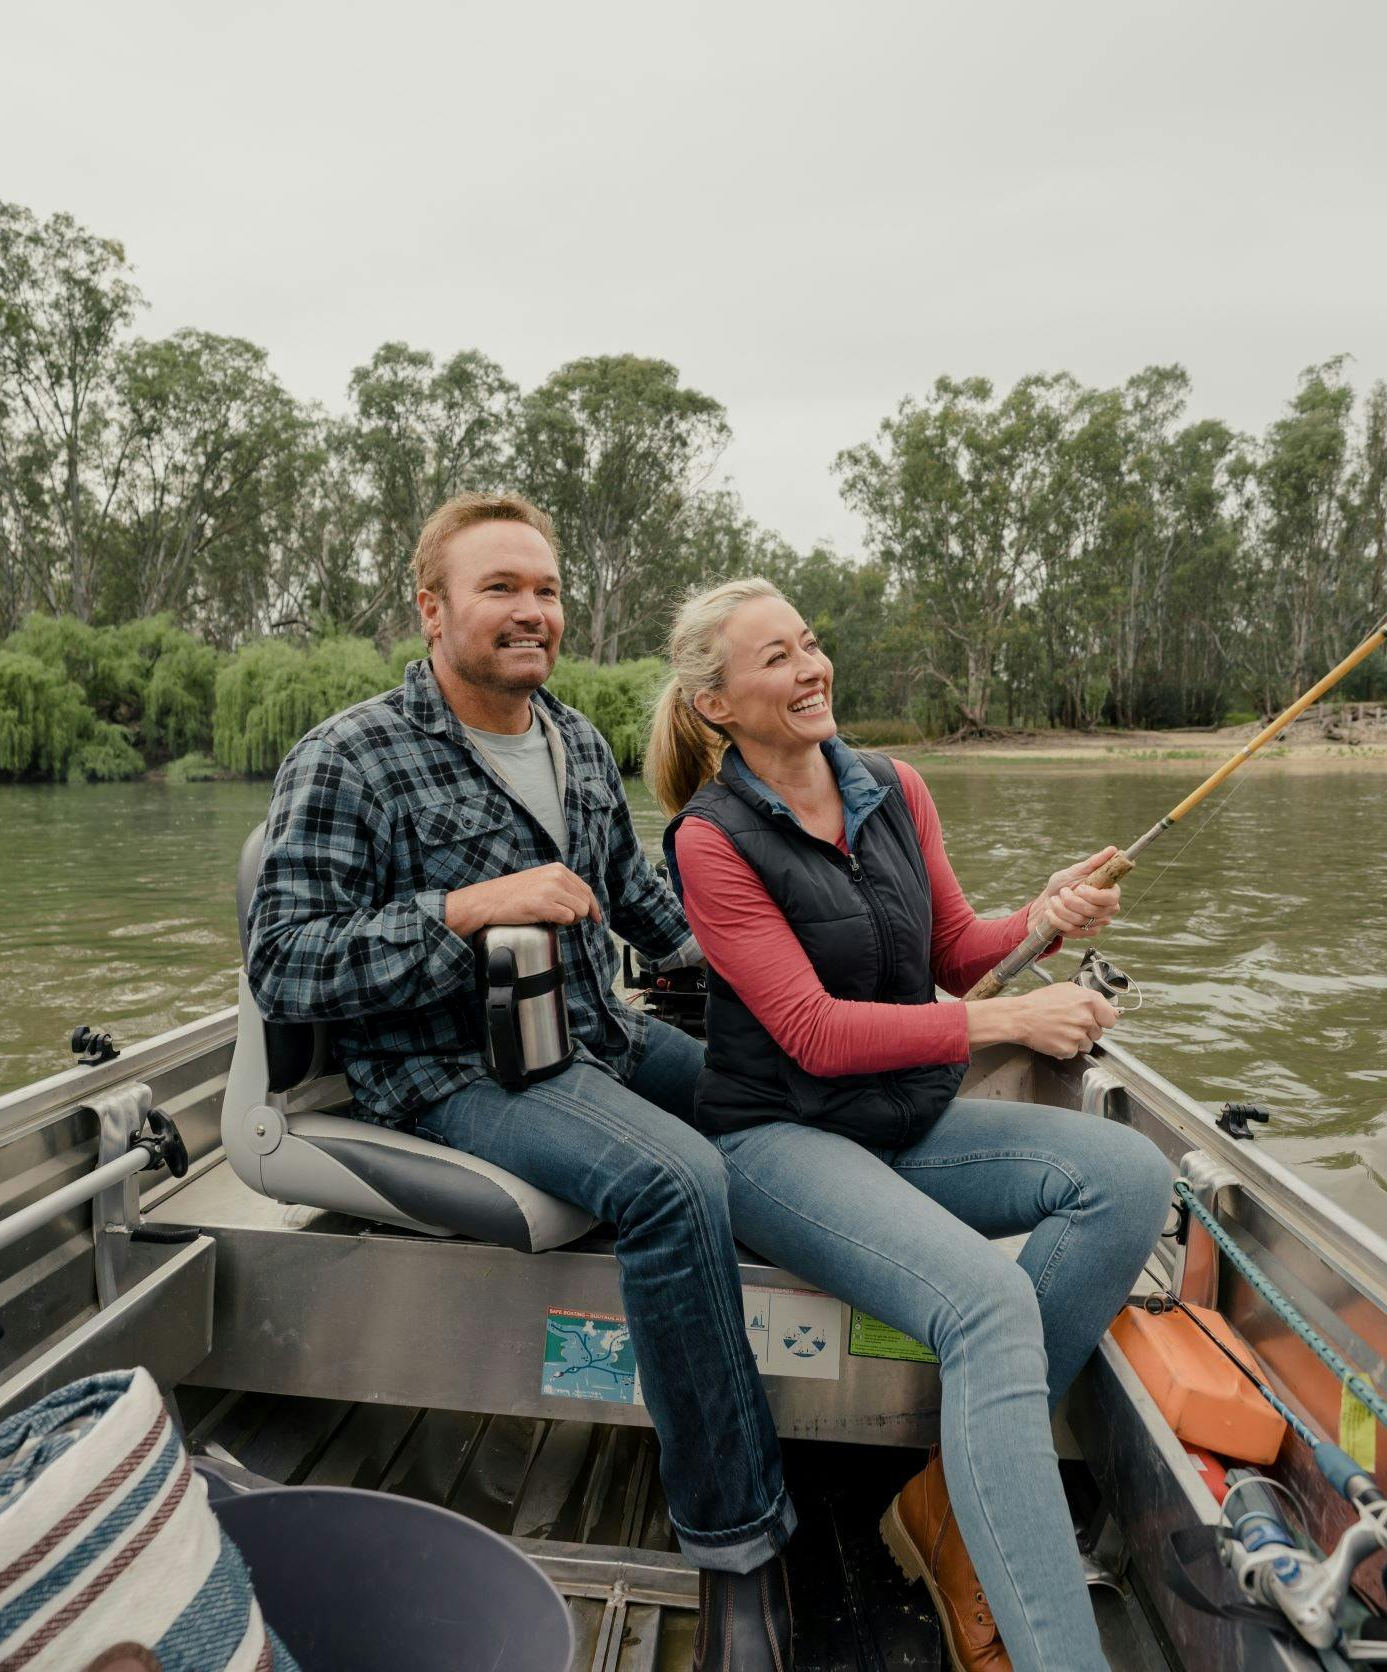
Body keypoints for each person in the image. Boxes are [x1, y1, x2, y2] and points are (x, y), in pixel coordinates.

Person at [246, 496, 794, 1670]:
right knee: (676, 1180)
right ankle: (737, 1551)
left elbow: (651, 915)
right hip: (449, 1074)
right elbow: (284, 966)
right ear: (431, 606)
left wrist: (797, 977)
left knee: (786, 1092)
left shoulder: (577, 740)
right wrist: (464, 908)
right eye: (499, 588)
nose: (530, 612)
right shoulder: (349, 757)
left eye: (543, 590)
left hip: (595, 1033)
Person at [649, 577, 1174, 1672]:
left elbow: (948, 947)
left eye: (809, 645)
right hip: (778, 1138)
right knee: (985, 1308)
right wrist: (1007, 1017)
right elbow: (808, 1031)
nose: (809, 669)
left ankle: (948, 1494)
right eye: (775, 661)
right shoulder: (708, 841)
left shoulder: (893, 786)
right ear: (716, 706)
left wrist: (1040, 916)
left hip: (904, 1119)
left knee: (1127, 1178)